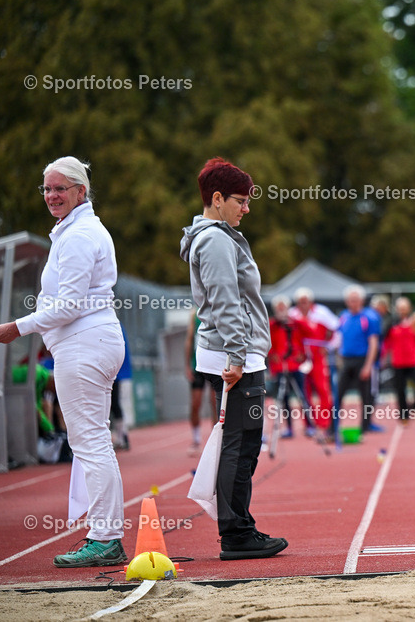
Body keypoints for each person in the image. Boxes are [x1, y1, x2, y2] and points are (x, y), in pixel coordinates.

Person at [0, 156, 128, 567]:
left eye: (59, 189)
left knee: (90, 443)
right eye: (47, 189)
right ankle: (105, 535)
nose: (51, 196)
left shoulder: (80, 235)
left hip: (85, 344)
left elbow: (67, 305)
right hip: (90, 342)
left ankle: (106, 537)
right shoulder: (76, 231)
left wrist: (18, 326)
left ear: (80, 192)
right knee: (93, 441)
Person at [179, 157, 287, 560]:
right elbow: (226, 302)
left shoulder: (214, 237)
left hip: (231, 353)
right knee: (241, 445)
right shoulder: (216, 240)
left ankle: (238, 527)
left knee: (240, 442)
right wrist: (239, 356)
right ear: (217, 198)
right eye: (240, 201)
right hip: (233, 356)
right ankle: (237, 533)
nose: (246, 208)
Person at [289, 287, 338, 434]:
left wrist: (328, 347)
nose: (303, 305)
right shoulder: (293, 314)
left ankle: (324, 422)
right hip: (302, 357)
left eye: (305, 301)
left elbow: (337, 329)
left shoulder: (321, 312)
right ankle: (309, 423)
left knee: (323, 388)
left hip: (317, 356)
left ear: (310, 301)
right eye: (300, 302)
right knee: (304, 391)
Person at [336, 285, 382, 435]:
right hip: (347, 360)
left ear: (361, 301)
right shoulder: (343, 317)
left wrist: (368, 366)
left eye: (355, 300)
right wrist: (339, 359)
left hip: (362, 360)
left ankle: (365, 427)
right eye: (350, 300)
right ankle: (333, 428)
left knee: (365, 397)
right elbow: (339, 339)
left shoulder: (369, 317)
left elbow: (373, 343)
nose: (352, 303)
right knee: (338, 395)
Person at [268, 295, 311, 438]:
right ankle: (289, 428)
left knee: (302, 395)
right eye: (278, 308)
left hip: (295, 365)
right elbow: (267, 343)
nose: (281, 310)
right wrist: (272, 354)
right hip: (281, 366)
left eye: (283, 307)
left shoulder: (295, 323)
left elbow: (308, 332)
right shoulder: (272, 325)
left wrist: (301, 354)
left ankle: (309, 425)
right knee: (284, 398)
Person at [382, 297, 415, 424]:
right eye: (400, 308)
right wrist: (383, 357)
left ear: (409, 308)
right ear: (397, 309)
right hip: (398, 362)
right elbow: (386, 343)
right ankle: (404, 415)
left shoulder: (414, 322)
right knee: (400, 390)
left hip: (414, 361)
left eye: (405, 308)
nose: (403, 311)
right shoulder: (391, 324)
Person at [184, 310, 216, 454]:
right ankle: (196, 439)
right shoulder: (194, 315)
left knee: (215, 403)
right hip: (198, 365)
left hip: (214, 364)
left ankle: (216, 441)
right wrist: (187, 365)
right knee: (196, 403)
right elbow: (189, 339)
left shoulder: (218, 309)